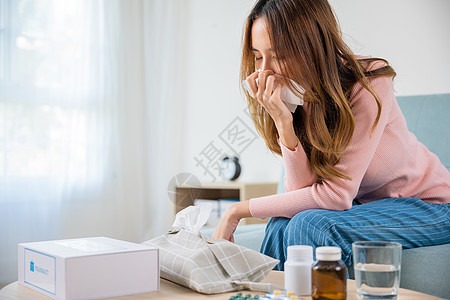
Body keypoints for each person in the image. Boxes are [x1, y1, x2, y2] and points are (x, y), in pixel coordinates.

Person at [211, 0, 450, 270]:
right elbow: (303, 193)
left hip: (432, 206)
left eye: (277, 56)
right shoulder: (299, 98)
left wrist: (237, 210)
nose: (265, 72)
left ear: (310, 45)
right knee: (281, 225)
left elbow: (335, 196)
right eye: (258, 57)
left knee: (310, 225)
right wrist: (282, 120)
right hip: (366, 207)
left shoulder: (368, 81)